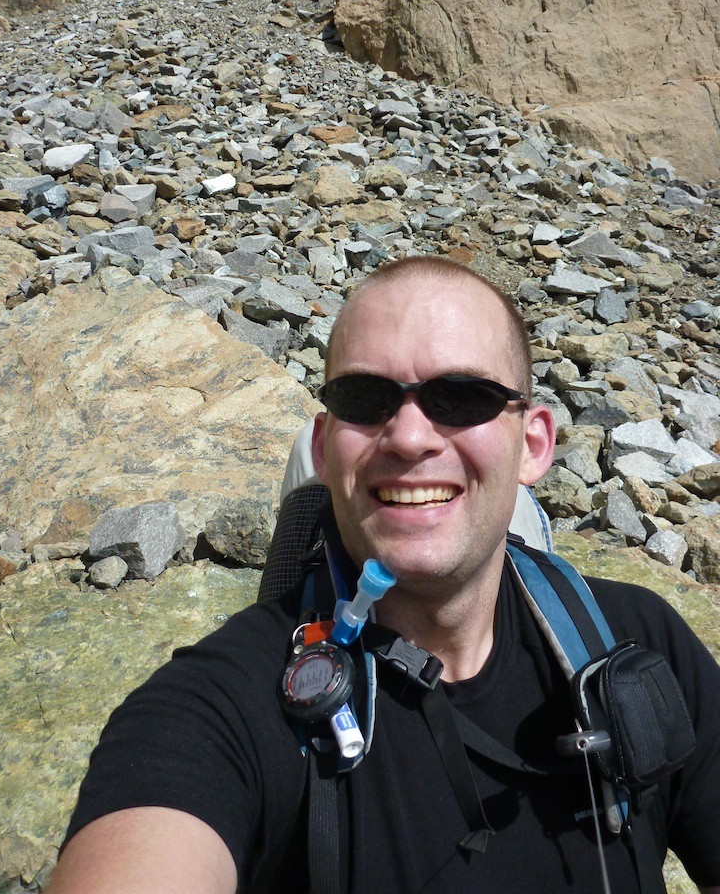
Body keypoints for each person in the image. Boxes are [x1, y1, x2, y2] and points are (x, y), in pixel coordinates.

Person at [47, 255, 720, 894]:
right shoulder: (218, 705)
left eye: (462, 397)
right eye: (366, 398)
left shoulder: (639, 645)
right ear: (323, 447)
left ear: (534, 444)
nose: (408, 437)